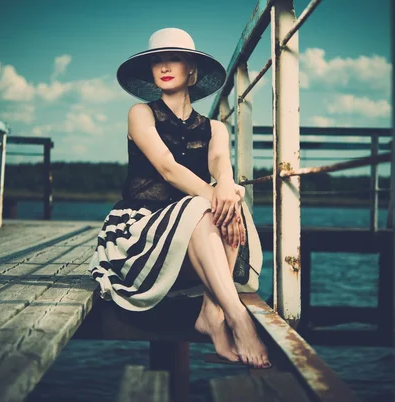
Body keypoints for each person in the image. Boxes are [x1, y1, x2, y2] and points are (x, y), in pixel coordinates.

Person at [87, 27, 270, 369]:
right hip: (139, 234)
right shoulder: (140, 113)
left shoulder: (216, 128)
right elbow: (168, 169)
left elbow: (219, 163)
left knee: (229, 199)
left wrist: (228, 187)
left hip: (191, 244)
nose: (165, 66)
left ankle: (211, 311)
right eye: (157, 61)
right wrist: (217, 196)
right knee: (205, 202)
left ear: (192, 71)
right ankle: (237, 318)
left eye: (174, 59)